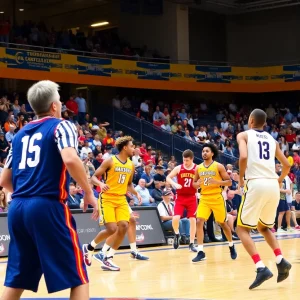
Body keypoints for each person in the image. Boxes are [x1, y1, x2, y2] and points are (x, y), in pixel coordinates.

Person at [0, 80, 98, 300]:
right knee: (78, 275)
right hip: (46, 206)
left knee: (18, 278)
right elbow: (71, 159)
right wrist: (89, 193)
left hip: (17, 209)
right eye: (60, 101)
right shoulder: (61, 125)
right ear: (54, 106)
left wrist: (24, 193)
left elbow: (5, 180)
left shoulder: (19, 135)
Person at [236, 108, 292, 290]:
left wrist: (241, 177)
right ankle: (280, 259)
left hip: (256, 183)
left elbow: (243, 156)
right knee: (264, 227)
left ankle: (260, 267)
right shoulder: (272, 140)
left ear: (250, 120)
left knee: (241, 229)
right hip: (272, 185)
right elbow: (286, 165)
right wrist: (280, 179)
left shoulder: (243, 135)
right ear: (265, 123)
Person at [82, 136, 142, 271]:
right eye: (132, 146)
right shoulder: (110, 161)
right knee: (112, 229)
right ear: (125, 147)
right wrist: (101, 183)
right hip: (107, 198)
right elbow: (93, 178)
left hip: (121, 199)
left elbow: (129, 184)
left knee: (124, 226)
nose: (134, 149)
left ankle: (108, 258)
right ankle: (89, 247)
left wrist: (136, 193)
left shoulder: (131, 165)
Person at [192, 143, 237, 262]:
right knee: (199, 221)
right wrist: (197, 184)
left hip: (217, 197)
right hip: (204, 198)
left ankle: (231, 245)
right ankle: (201, 251)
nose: (204, 153)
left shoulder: (219, 166)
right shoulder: (198, 167)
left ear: (212, 153)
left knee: (222, 223)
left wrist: (217, 182)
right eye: (203, 151)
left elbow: (229, 182)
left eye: (207, 151)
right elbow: (194, 183)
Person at [166, 149, 197, 252]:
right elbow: (168, 177)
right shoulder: (179, 168)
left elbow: (201, 181)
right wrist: (174, 184)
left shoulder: (197, 169)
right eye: (184, 160)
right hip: (180, 197)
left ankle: (192, 243)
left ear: (192, 159)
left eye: (187, 160)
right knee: (175, 219)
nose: (185, 162)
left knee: (193, 220)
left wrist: (199, 188)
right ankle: (177, 234)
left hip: (192, 197)